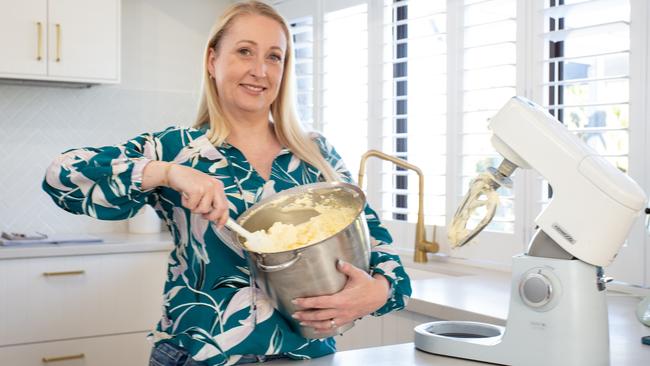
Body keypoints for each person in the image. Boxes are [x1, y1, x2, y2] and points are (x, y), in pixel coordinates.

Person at [42, 1, 412, 365]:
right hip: (200, 356)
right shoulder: (174, 149)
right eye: (244, 52)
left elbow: (380, 250)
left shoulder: (315, 153)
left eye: (274, 57)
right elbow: (62, 176)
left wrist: (375, 293)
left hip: (305, 356)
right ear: (212, 60)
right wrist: (169, 172)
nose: (259, 70)